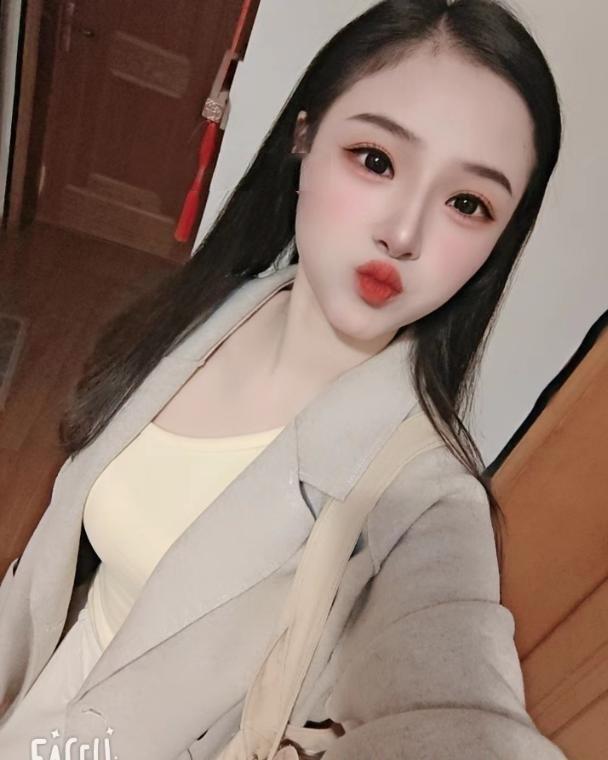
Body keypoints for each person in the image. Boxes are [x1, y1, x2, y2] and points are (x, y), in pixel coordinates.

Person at [0, 0, 568, 757]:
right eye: (375, 160)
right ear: (304, 137)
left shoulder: (422, 500)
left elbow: (461, 708)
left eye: (468, 203)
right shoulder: (206, 310)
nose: (403, 233)